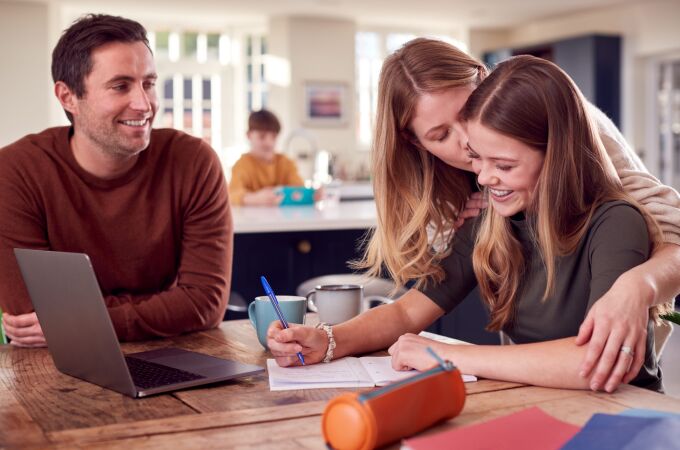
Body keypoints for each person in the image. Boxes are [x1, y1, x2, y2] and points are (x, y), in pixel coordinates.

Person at [269, 42, 680, 392]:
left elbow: (595, 359)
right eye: (442, 135)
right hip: (538, 392)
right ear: (416, 143)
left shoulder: (608, 209)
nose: (470, 150)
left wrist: (639, 284)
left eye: (499, 159)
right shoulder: (490, 217)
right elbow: (409, 309)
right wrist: (328, 339)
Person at [0, 14, 232, 346]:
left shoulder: (194, 162)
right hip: (54, 367)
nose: (144, 104)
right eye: (120, 86)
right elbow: (29, 312)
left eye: (149, 83)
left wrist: (80, 320)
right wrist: (165, 306)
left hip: (169, 354)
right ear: (68, 97)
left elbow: (205, 303)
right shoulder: (14, 171)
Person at [229, 109, 305, 206]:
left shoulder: (286, 163)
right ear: (248, 135)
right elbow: (233, 195)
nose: (269, 143)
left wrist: (312, 195)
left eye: (273, 137)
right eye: (262, 136)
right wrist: (254, 198)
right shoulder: (242, 165)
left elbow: (300, 189)